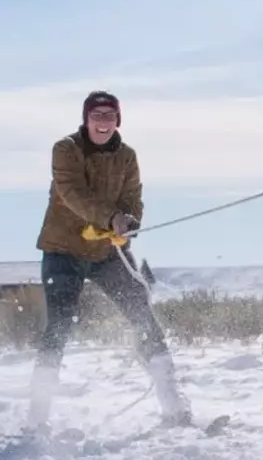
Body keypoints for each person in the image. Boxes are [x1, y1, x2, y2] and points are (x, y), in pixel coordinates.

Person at [27, 91, 192, 431]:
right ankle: (37, 418)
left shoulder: (127, 156)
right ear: (86, 120)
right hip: (63, 251)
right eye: (96, 115)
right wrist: (110, 217)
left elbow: (133, 197)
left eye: (109, 116)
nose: (103, 122)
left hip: (107, 253)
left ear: (118, 121)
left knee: (143, 316)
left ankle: (173, 407)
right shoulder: (65, 150)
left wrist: (129, 223)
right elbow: (71, 193)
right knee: (58, 327)